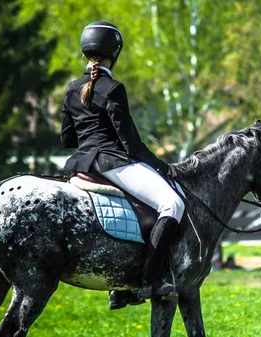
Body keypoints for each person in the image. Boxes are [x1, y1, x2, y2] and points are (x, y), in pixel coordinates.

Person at [60, 21, 184, 301]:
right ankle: (149, 281)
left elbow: (68, 139)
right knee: (173, 203)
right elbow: (130, 143)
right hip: (112, 163)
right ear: (114, 53)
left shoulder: (71, 88)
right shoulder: (113, 88)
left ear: (85, 53)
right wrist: (162, 167)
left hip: (81, 164)